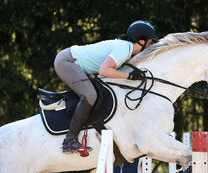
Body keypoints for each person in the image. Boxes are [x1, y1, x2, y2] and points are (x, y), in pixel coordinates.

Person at [54, 20, 157, 154]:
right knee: (90, 95)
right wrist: (129, 76)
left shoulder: (126, 50)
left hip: (73, 62)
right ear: (141, 41)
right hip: (67, 61)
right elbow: (104, 71)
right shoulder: (124, 49)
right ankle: (69, 140)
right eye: (150, 43)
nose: (150, 47)